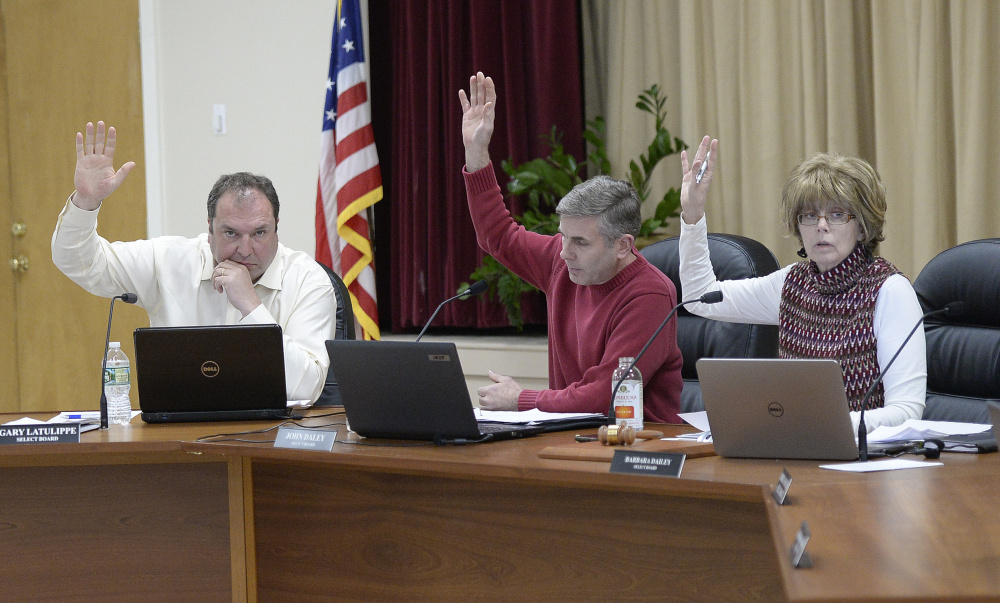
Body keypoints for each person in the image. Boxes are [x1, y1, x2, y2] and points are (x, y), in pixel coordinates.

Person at [52, 121, 337, 404]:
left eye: (259, 233)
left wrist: (251, 307)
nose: (246, 249)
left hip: (271, 440)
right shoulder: (169, 260)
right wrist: (85, 203)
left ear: (277, 227)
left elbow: (306, 389)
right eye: (231, 233)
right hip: (181, 436)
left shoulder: (308, 280)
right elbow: (80, 264)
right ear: (210, 229)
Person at [459, 72, 684, 422]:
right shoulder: (559, 261)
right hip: (568, 438)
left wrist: (522, 398)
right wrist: (476, 153)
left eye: (580, 242)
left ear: (623, 245)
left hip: (639, 449)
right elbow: (497, 236)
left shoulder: (650, 296)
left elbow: (601, 395)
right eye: (563, 236)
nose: (565, 252)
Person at [678, 136, 926, 432]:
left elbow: (908, 412)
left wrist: (828, 424)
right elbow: (697, 297)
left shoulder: (890, 291)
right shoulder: (792, 283)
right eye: (809, 215)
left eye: (837, 214)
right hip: (797, 449)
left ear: (862, 228)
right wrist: (692, 215)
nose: (821, 225)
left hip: (865, 460)